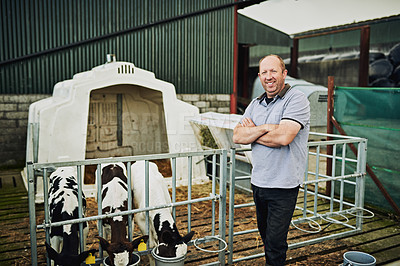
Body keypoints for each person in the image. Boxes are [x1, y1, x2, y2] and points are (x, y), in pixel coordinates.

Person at [232, 54, 310, 266]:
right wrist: (267, 128)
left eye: (274, 71)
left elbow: (284, 137)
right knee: (267, 239)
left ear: (284, 73)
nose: (269, 77)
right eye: (264, 72)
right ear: (259, 76)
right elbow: (237, 136)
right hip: (259, 183)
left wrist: (254, 132)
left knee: (275, 244)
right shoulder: (256, 104)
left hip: (283, 186)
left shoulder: (296, 99)